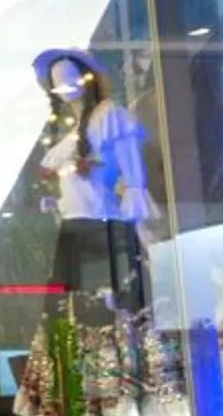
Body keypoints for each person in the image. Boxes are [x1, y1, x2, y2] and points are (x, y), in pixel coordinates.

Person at [33, 47, 154, 309]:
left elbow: (131, 168)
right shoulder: (73, 131)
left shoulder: (108, 115)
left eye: (70, 79)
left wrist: (134, 203)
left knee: (108, 303)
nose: (66, 88)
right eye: (59, 83)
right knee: (71, 307)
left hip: (102, 222)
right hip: (75, 223)